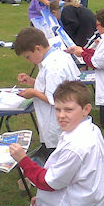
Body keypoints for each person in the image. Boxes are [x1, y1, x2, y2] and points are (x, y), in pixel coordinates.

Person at [9, 80, 104, 206]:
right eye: (57, 109)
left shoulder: (75, 146)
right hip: (89, 200)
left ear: (86, 109)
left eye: (68, 110)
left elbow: (48, 183)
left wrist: (23, 160)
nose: (61, 115)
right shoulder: (91, 128)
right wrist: (45, 199)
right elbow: (67, 176)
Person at [14, 27, 81, 158]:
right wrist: (32, 81)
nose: (28, 61)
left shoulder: (52, 68)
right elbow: (51, 86)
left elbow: (54, 99)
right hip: (67, 112)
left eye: (28, 57)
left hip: (56, 119)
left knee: (56, 152)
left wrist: (33, 93)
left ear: (38, 48)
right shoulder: (59, 55)